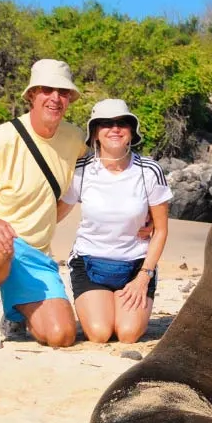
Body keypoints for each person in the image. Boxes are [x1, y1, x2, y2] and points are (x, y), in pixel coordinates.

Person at [0, 59, 87, 349]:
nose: (55, 98)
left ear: (69, 99)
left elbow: (97, 178)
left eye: (62, 92)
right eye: (47, 90)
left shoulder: (75, 139)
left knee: (62, 336)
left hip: (34, 254)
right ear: (32, 95)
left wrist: (144, 217)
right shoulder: (2, 139)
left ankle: (13, 312)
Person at [63, 99, 171, 343]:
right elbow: (55, 214)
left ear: (131, 131)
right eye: (105, 124)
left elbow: (161, 230)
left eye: (122, 123)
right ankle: (102, 303)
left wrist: (144, 276)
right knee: (100, 334)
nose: (115, 128)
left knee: (127, 334)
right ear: (95, 133)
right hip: (89, 263)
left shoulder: (149, 170)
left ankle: (122, 304)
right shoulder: (80, 170)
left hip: (136, 266)